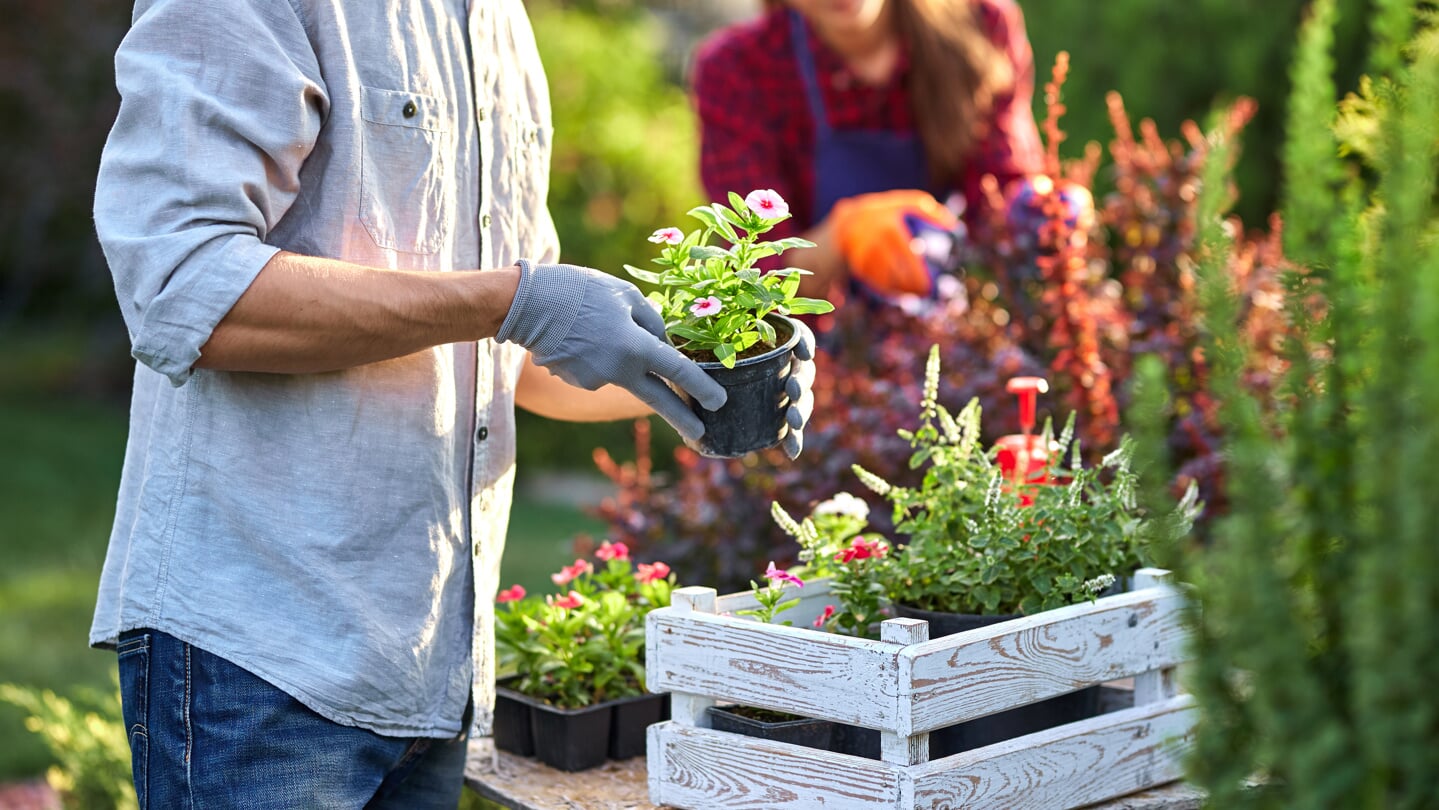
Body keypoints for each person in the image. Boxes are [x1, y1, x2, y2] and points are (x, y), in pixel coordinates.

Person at [88, 1, 813, 807]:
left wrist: (706, 374)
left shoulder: (496, 20)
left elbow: (519, 361)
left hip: (429, 671)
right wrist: (510, 302)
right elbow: (183, 283)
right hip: (261, 659)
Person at [691, 0, 1044, 303]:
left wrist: (1043, 213)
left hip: (959, 315)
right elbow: (757, 273)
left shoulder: (980, 25)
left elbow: (1003, 197)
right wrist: (842, 235)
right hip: (827, 353)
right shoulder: (736, 71)